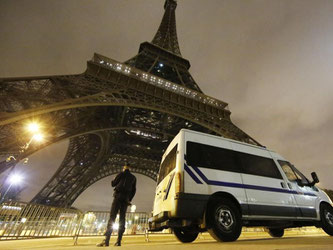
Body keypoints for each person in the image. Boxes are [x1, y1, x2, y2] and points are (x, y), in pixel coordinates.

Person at [97, 164, 136, 247]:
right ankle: (119, 241)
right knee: (122, 219)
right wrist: (129, 199)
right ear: (130, 168)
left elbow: (113, 184)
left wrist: (114, 179)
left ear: (124, 168)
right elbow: (134, 190)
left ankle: (106, 240)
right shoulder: (133, 177)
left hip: (118, 197)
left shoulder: (121, 174)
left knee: (112, 217)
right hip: (125, 199)